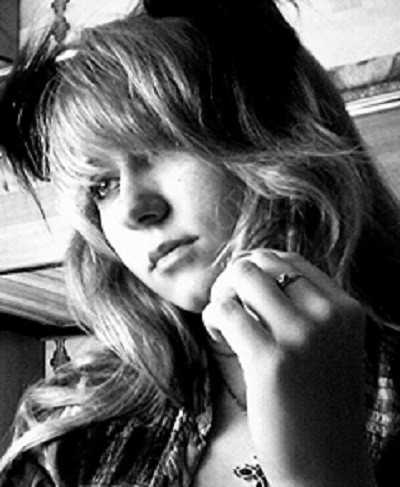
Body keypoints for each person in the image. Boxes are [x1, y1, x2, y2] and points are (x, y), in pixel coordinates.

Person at [1, 1, 400, 485]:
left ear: (273, 135)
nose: (132, 209)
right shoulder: (68, 427)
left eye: (162, 143)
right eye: (102, 186)